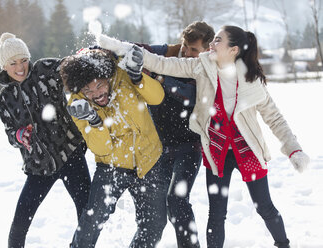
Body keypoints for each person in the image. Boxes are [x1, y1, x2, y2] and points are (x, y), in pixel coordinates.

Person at [97, 25, 310, 248]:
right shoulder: (202, 65)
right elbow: (163, 63)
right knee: (217, 214)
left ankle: (283, 244)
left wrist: (293, 149)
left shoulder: (251, 81)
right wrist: (120, 47)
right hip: (217, 152)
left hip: (248, 151)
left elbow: (274, 118)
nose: (212, 44)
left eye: (218, 40)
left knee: (264, 206)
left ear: (233, 50)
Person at [60, 48, 171, 248]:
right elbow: (101, 149)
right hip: (111, 165)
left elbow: (157, 98)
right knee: (91, 223)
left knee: (154, 225)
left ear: (107, 76)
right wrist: (94, 121)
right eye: (88, 91)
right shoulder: (78, 104)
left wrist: (138, 78)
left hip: (149, 160)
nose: (96, 94)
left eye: (100, 86)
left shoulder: (124, 75)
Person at [0, 32, 91, 248]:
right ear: (4, 66)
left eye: (23, 60)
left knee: (87, 213)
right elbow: (11, 134)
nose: (20, 67)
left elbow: (73, 67)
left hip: (70, 153)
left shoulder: (45, 70)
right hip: (38, 165)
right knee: (21, 220)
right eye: (13, 63)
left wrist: (88, 54)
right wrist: (21, 136)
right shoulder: (5, 100)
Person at [137, 21, 214, 248]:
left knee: (177, 201)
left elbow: (188, 95)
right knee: (153, 211)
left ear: (206, 51)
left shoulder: (206, 69)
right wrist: (107, 48)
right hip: (158, 148)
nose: (186, 54)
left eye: (194, 50)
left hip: (189, 146)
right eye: (185, 46)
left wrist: (158, 76)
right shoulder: (168, 52)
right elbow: (139, 48)